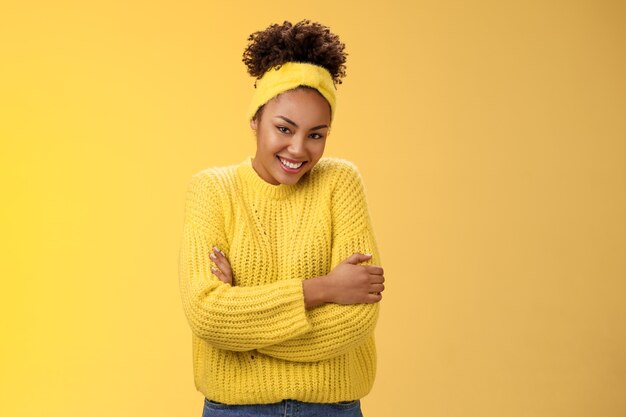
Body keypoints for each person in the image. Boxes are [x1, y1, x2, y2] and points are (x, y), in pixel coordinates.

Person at [178, 20, 385, 417]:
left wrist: (242, 329)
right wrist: (323, 289)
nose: (298, 148)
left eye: (316, 134)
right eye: (284, 128)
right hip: (236, 410)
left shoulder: (340, 183)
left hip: (332, 409)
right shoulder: (212, 190)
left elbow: (356, 320)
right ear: (255, 119)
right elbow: (207, 314)